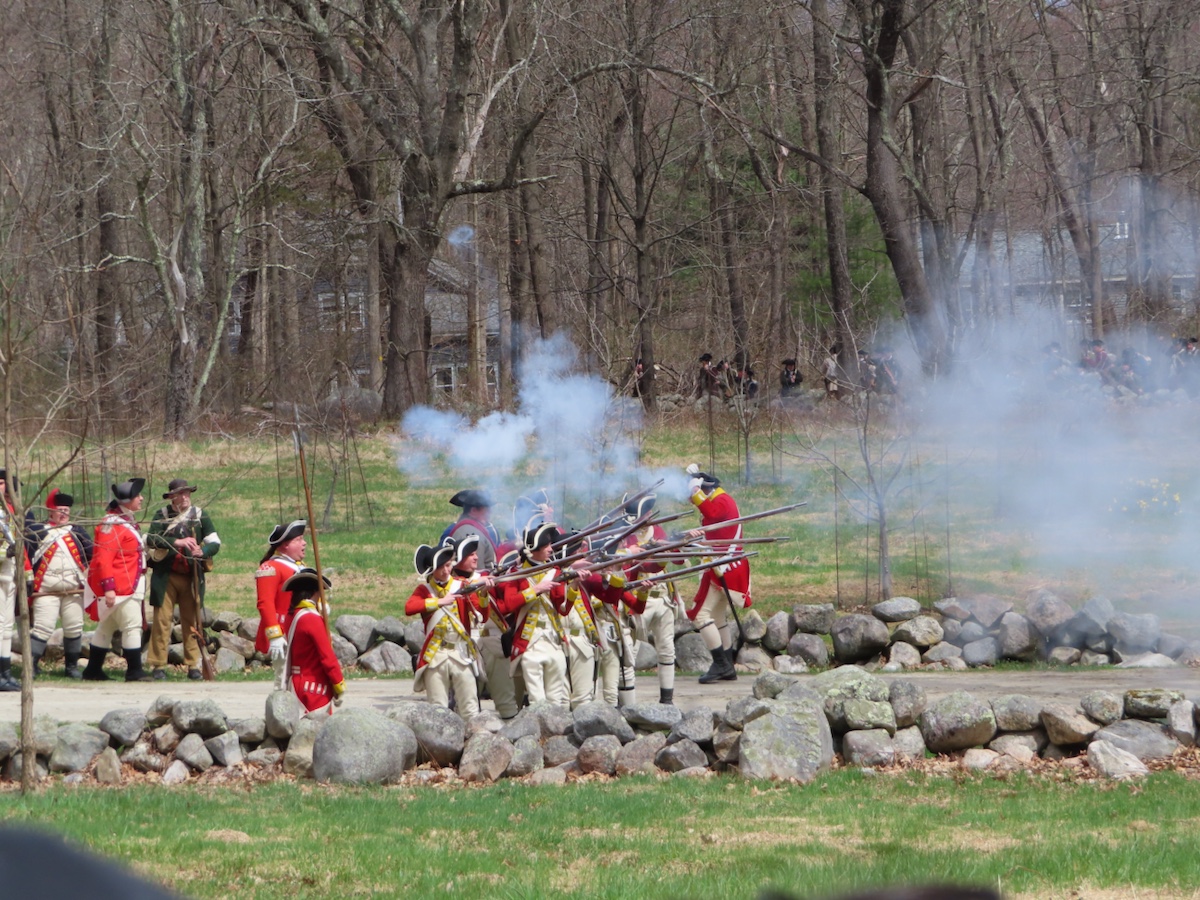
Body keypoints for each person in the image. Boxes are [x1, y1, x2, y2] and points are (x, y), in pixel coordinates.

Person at [405, 536, 491, 719]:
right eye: (442, 567)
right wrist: (439, 602)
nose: (447, 570)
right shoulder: (425, 590)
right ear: (432, 570)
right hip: (435, 655)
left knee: (470, 707)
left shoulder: (462, 586)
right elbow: (409, 607)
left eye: (448, 565)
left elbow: (482, 612)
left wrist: (484, 593)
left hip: (460, 653)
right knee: (438, 709)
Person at [145, 478, 221, 681]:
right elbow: (151, 539)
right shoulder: (161, 515)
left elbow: (215, 542)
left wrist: (201, 551)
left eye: (187, 493)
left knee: (192, 622)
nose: (185, 497)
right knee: (162, 622)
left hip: (191, 577)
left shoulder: (199, 515)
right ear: (172, 497)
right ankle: (158, 665)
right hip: (166, 576)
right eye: (181, 494)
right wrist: (176, 541)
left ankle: (193, 665)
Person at [683, 464, 751, 684]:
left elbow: (711, 512)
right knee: (718, 617)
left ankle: (721, 664)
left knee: (701, 616)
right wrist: (694, 539)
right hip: (723, 566)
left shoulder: (721, 501)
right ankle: (728, 665)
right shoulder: (722, 501)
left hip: (724, 567)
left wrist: (695, 492)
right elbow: (714, 532)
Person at [494, 523, 571, 706]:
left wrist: (573, 586)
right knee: (537, 700)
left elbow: (562, 608)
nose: (551, 549)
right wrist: (535, 589)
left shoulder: (554, 571)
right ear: (534, 549)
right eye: (546, 546)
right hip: (529, 642)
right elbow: (508, 604)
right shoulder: (516, 574)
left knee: (556, 698)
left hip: (553, 639)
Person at [82, 478, 151, 682]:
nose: (141, 498)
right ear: (127, 500)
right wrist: (109, 588)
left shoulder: (125, 521)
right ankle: (134, 671)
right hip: (121, 586)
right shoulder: (112, 524)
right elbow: (103, 559)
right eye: (137, 495)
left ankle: (92, 670)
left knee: (107, 626)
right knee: (132, 625)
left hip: (129, 583)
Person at [619, 493, 681, 704]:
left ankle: (667, 701)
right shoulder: (626, 536)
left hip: (663, 598)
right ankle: (627, 707)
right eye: (644, 512)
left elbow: (680, 560)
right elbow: (634, 567)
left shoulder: (658, 531)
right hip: (636, 600)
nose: (648, 515)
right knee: (629, 655)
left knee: (667, 651)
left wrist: (677, 543)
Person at [25, 488, 93, 678]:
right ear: (50, 512)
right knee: (42, 627)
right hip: (45, 591)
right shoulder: (38, 532)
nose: (63, 513)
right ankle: (31, 666)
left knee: (74, 627)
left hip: (73, 591)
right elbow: (27, 558)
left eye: (66, 510)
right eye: (60, 510)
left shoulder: (77, 531)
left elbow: (91, 555)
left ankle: (71, 667)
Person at [281, 567, 344, 714]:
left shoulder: (292, 615)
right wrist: (338, 683)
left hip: (295, 683)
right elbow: (326, 656)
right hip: (314, 687)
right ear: (316, 592)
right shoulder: (311, 618)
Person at [254, 520, 307, 691]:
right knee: (283, 680)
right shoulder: (270, 567)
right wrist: (275, 634)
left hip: (300, 629)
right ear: (285, 545)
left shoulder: (300, 567)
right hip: (284, 631)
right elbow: (265, 603)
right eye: (299, 539)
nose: (304, 543)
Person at [0, 469, 30, 690]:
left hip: (9, 574)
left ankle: (6, 672)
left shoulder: (8, 512)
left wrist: (25, 572)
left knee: (7, 625)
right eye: (1, 483)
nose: (4, 488)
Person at [441, 489, 500, 572]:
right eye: (486, 509)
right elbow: (476, 571)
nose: (489, 513)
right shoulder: (470, 533)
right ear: (474, 511)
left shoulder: (472, 528)